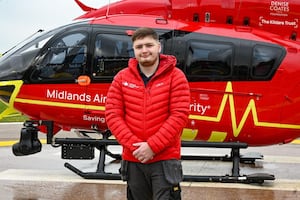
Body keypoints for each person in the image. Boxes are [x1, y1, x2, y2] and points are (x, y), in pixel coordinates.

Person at [105, 27, 190, 200]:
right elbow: (112, 115)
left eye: (149, 45)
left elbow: (179, 115)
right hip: (134, 158)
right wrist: (135, 146)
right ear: (134, 50)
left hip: (165, 159)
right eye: (139, 46)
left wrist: (152, 146)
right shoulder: (121, 78)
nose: (144, 50)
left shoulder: (176, 76)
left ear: (159, 47)